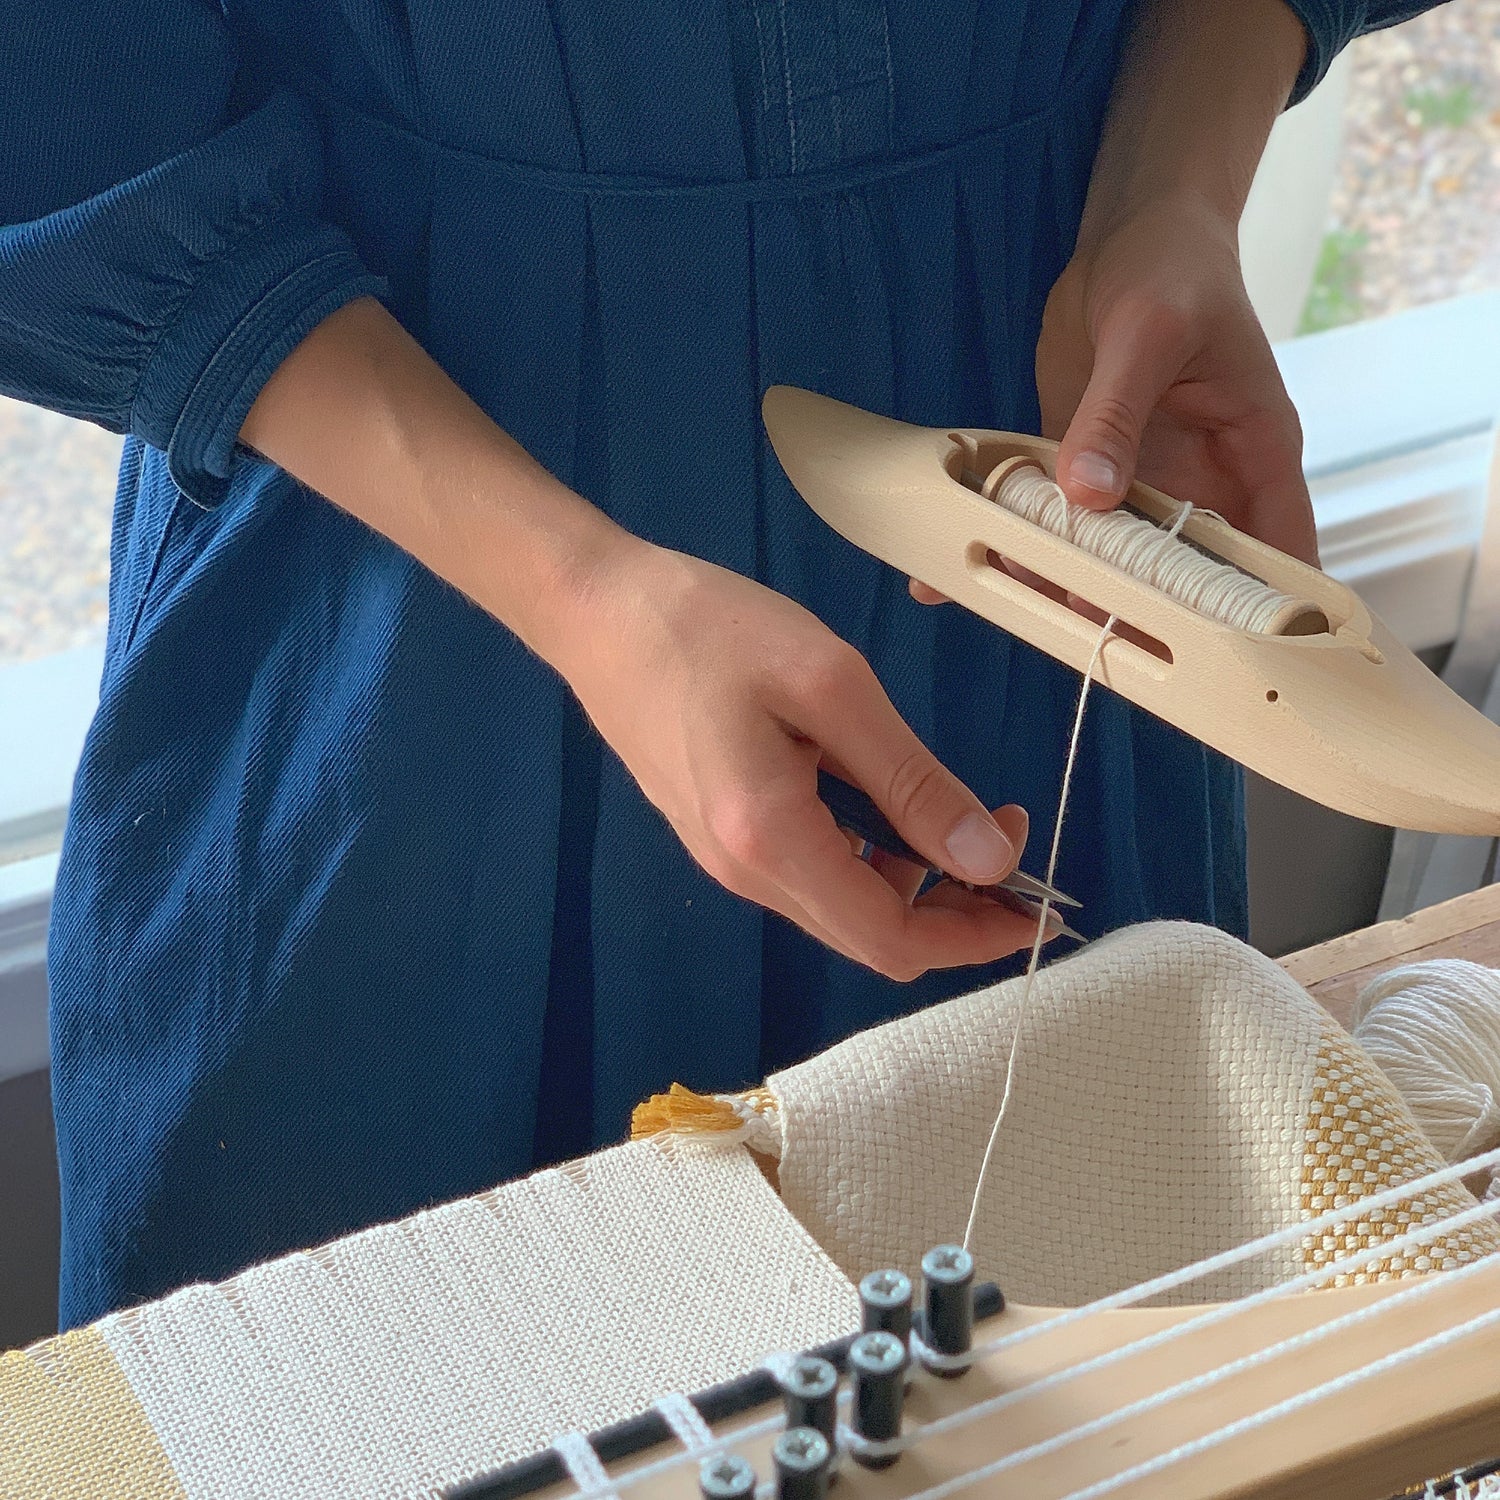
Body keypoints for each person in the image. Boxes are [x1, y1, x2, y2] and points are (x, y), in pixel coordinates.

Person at [0, 0, 1433, 1329]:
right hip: (399, 597)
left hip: (1026, 519)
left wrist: (1167, 188)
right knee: (351, 1393)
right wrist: (581, 591)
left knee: (1085, 1374)